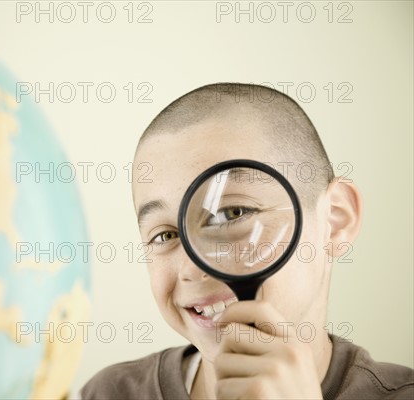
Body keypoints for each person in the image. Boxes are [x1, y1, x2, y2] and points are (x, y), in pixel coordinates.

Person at [80, 83, 414, 399]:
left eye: (232, 213)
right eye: (165, 235)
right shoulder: (108, 393)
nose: (191, 268)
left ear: (336, 220)